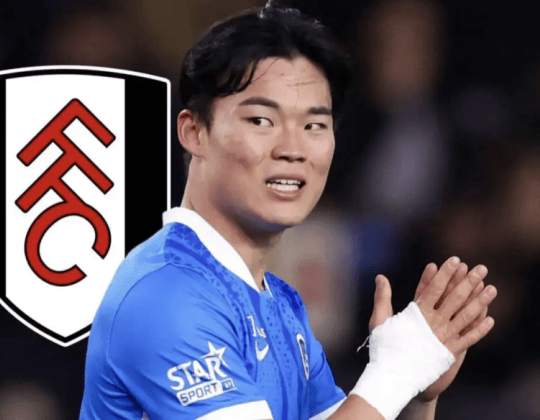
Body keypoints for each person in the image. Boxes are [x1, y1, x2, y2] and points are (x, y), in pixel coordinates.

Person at [79, 3, 497, 420]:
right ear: (194, 132)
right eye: (262, 120)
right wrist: (395, 374)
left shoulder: (280, 304)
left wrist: (416, 396)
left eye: (314, 125)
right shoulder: (165, 296)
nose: (293, 149)